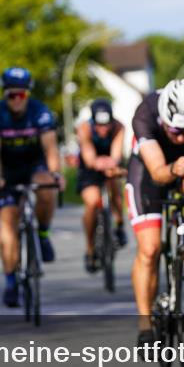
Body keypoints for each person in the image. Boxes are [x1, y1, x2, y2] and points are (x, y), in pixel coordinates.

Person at [127, 79, 184, 348]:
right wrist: (174, 167)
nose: (180, 137)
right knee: (150, 248)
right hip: (148, 169)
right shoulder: (145, 114)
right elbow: (157, 173)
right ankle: (145, 324)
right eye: (174, 130)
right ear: (163, 119)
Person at [0, 67, 64, 307]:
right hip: (6, 169)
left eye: (22, 95)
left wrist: (56, 173)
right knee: (7, 224)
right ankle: (10, 281)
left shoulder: (40, 111)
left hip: (33, 165)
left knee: (47, 188)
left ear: (28, 94)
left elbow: (50, 146)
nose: (17, 100)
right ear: (4, 94)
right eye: (12, 95)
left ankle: (43, 233)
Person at [77, 97, 127, 273]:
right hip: (90, 168)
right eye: (99, 125)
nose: (103, 129)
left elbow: (116, 153)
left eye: (107, 125)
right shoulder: (84, 128)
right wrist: (99, 163)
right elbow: (89, 157)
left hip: (110, 166)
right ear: (92, 122)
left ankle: (119, 224)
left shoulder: (119, 127)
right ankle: (90, 249)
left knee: (115, 188)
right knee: (92, 201)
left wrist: (112, 164)